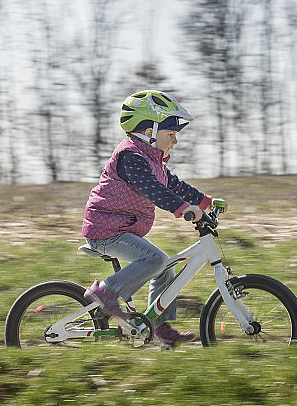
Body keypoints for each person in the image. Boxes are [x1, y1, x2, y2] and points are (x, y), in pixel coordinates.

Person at [81, 90, 224, 346]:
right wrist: (183, 209)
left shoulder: (153, 160)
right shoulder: (131, 157)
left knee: (164, 267)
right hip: (105, 229)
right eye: (171, 134)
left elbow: (174, 185)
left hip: (120, 228)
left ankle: (158, 326)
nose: (175, 141)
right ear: (149, 132)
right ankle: (105, 291)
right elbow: (153, 189)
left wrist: (206, 202)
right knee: (155, 259)